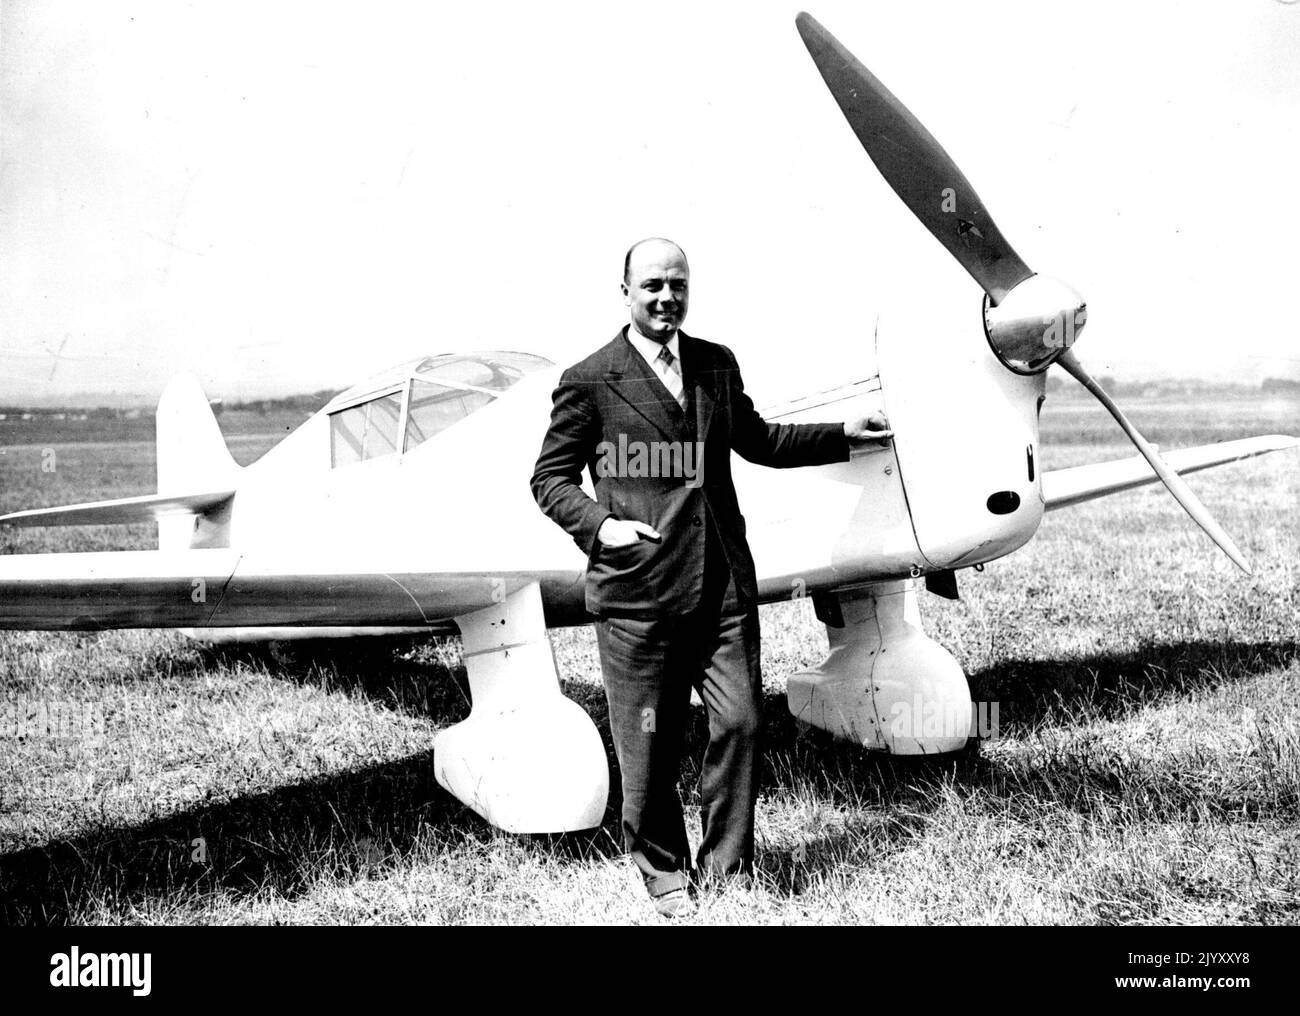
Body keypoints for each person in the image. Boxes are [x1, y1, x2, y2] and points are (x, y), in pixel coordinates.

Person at [530, 238, 890, 917]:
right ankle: (664, 874)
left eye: (677, 284)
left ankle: (727, 867)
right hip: (638, 596)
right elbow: (549, 477)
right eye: (652, 287)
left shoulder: (716, 365)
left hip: (723, 588)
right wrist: (601, 526)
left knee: (742, 723)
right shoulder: (588, 378)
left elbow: (759, 441)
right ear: (625, 293)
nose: (666, 297)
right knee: (648, 742)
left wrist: (843, 432)